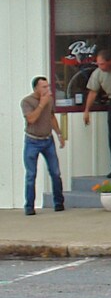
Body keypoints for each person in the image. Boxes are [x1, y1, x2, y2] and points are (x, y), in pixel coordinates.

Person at [21, 76, 65, 215]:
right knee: (31, 174)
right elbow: (31, 119)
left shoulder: (50, 100)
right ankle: (29, 206)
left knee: (55, 172)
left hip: (47, 140)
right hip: (32, 140)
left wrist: (59, 134)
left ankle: (58, 203)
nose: (47, 90)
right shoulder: (27, 101)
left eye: (48, 86)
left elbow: (51, 117)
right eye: (44, 87)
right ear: (36, 89)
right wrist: (41, 104)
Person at [82, 48, 111, 179]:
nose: (100, 66)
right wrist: (86, 110)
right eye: (98, 64)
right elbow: (93, 92)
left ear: (110, 61)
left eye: (102, 64)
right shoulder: (98, 73)